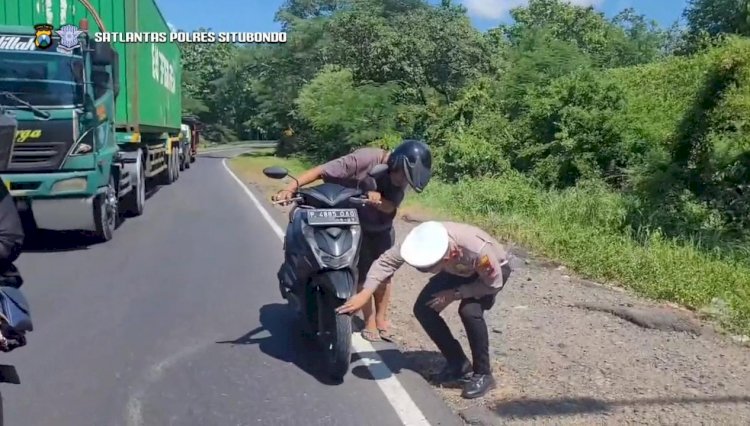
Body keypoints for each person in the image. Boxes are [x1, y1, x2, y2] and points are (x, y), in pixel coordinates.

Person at [272, 140, 432, 342]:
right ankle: (370, 320)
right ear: (395, 164)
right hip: (351, 225)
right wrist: (290, 187)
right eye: (403, 177)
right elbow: (322, 171)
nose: (403, 182)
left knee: (384, 276)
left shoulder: (402, 180)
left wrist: (378, 200)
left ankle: (382, 319)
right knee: (363, 275)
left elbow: (391, 207)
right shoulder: (364, 159)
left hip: (381, 228)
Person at [337, 221, 512, 399]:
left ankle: (484, 374)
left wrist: (456, 293)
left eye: (428, 268)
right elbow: (385, 262)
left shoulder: (477, 251)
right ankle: (458, 364)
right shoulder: (420, 240)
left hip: (488, 274)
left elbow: (493, 284)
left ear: (446, 257)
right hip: (457, 269)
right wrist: (365, 293)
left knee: (469, 311)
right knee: (424, 309)